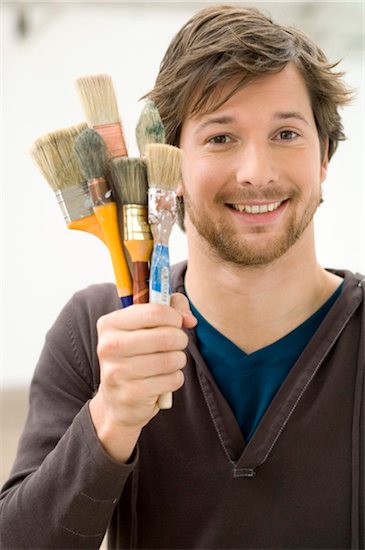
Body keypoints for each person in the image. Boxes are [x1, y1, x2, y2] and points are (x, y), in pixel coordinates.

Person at [1, 4, 364, 549]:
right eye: (220, 138)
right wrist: (110, 420)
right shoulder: (93, 331)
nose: (257, 172)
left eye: (286, 133)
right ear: (167, 166)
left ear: (324, 158)